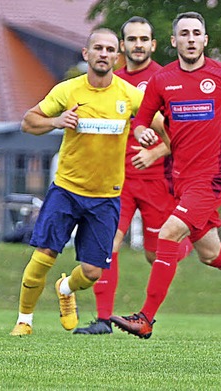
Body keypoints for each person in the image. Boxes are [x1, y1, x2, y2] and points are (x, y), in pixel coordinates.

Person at [110, 11, 221, 339]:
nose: (190, 38)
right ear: (174, 41)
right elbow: (142, 117)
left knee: (168, 235)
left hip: (212, 178)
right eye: (183, 33)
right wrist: (143, 131)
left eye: (195, 33)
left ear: (205, 40)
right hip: (180, 181)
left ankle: (146, 318)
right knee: (211, 254)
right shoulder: (162, 80)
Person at [10, 28, 164, 336]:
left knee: (93, 272)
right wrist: (57, 121)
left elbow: (165, 126)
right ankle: (24, 321)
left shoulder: (128, 94)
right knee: (44, 256)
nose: (104, 54)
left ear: (115, 56)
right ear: (86, 53)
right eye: (98, 48)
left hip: (106, 197)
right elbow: (29, 121)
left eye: (109, 49)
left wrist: (149, 140)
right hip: (66, 190)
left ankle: (66, 290)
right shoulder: (68, 90)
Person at [73, 16, 193, 335]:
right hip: (117, 181)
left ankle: (186, 242)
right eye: (132, 39)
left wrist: (154, 152)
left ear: (153, 45)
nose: (137, 45)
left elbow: (182, 134)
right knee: (107, 245)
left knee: (156, 254)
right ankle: (103, 320)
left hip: (158, 182)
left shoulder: (169, 80)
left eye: (144, 39)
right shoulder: (110, 82)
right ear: (122, 46)